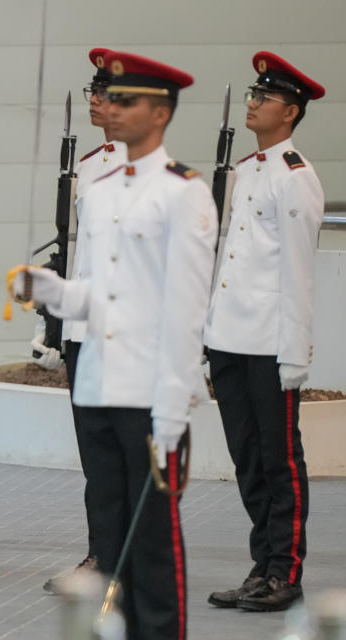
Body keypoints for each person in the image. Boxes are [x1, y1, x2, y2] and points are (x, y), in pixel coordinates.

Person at [24, 51, 216, 639]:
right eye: (109, 96)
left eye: (126, 99)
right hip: (99, 383)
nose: (110, 106)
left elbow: (186, 310)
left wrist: (171, 412)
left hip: (149, 391)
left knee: (153, 542)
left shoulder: (183, 193)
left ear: (160, 113)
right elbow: (100, 294)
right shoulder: (103, 187)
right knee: (110, 538)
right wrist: (52, 291)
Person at [205, 51, 324, 613]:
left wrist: (295, 353)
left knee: (279, 460)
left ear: (291, 111)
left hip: (270, 346)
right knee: (247, 458)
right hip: (231, 339)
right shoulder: (244, 172)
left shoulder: (295, 178)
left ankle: (286, 570)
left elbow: (298, 272)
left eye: (265, 98)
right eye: (252, 95)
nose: (252, 103)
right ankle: (262, 566)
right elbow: (227, 261)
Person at [42, 48, 128, 594]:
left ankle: (132, 558)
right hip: (83, 330)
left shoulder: (159, 175)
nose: (93, 99)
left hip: (123, 333)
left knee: (128, 454)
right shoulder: (90, 165)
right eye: (92, 91)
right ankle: (102, 554)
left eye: (105, 92)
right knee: (96, 454)